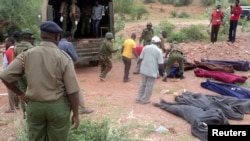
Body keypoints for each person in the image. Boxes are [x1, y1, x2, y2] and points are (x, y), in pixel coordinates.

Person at [0, 21, 80, 141]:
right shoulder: (63, 57)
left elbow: (5, 75)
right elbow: (72, 91)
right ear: (56, 36)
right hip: (57, 107)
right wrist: (76, 114)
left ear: (41, 35)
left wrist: (20, 93)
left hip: (35, 106)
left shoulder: (26, 55)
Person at [58, 31, 94, 114]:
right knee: (76, 88)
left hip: (57, 70)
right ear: (69, 37)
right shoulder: (68, 44)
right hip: (68, 69)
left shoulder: (57, 44)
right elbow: (74, 57)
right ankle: (83, 108)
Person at [13, 28, 35, 119]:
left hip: (20, 73)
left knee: (22, 91)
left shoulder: (16, 47)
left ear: (22, 37)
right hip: (29, 73)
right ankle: (32, 111)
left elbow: (14, 61)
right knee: (32, 91)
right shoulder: (33, 48)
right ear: (31, 37)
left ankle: (25, 112)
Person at [136, 36, 164, 104]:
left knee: (143, 83)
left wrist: (137, 65)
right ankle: (144, 100)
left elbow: (140, 58)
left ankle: (139, 97)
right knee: (149, 86)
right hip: (152, 71)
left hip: (143, 69)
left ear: (152, 41)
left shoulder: (145, 47)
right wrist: (162, 73)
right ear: (158, 43)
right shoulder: (159, 51)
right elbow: (161, 64)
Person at [2, 37, 19, 113]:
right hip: (19, 73)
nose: (5, 43)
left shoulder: (8, 52)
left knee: (11, 90)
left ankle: (12, 108)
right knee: (17, 89)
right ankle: (17, 105)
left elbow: (5, 65)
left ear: (10, 42)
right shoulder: (17, 50)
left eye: (6, 42)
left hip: (10, 73)